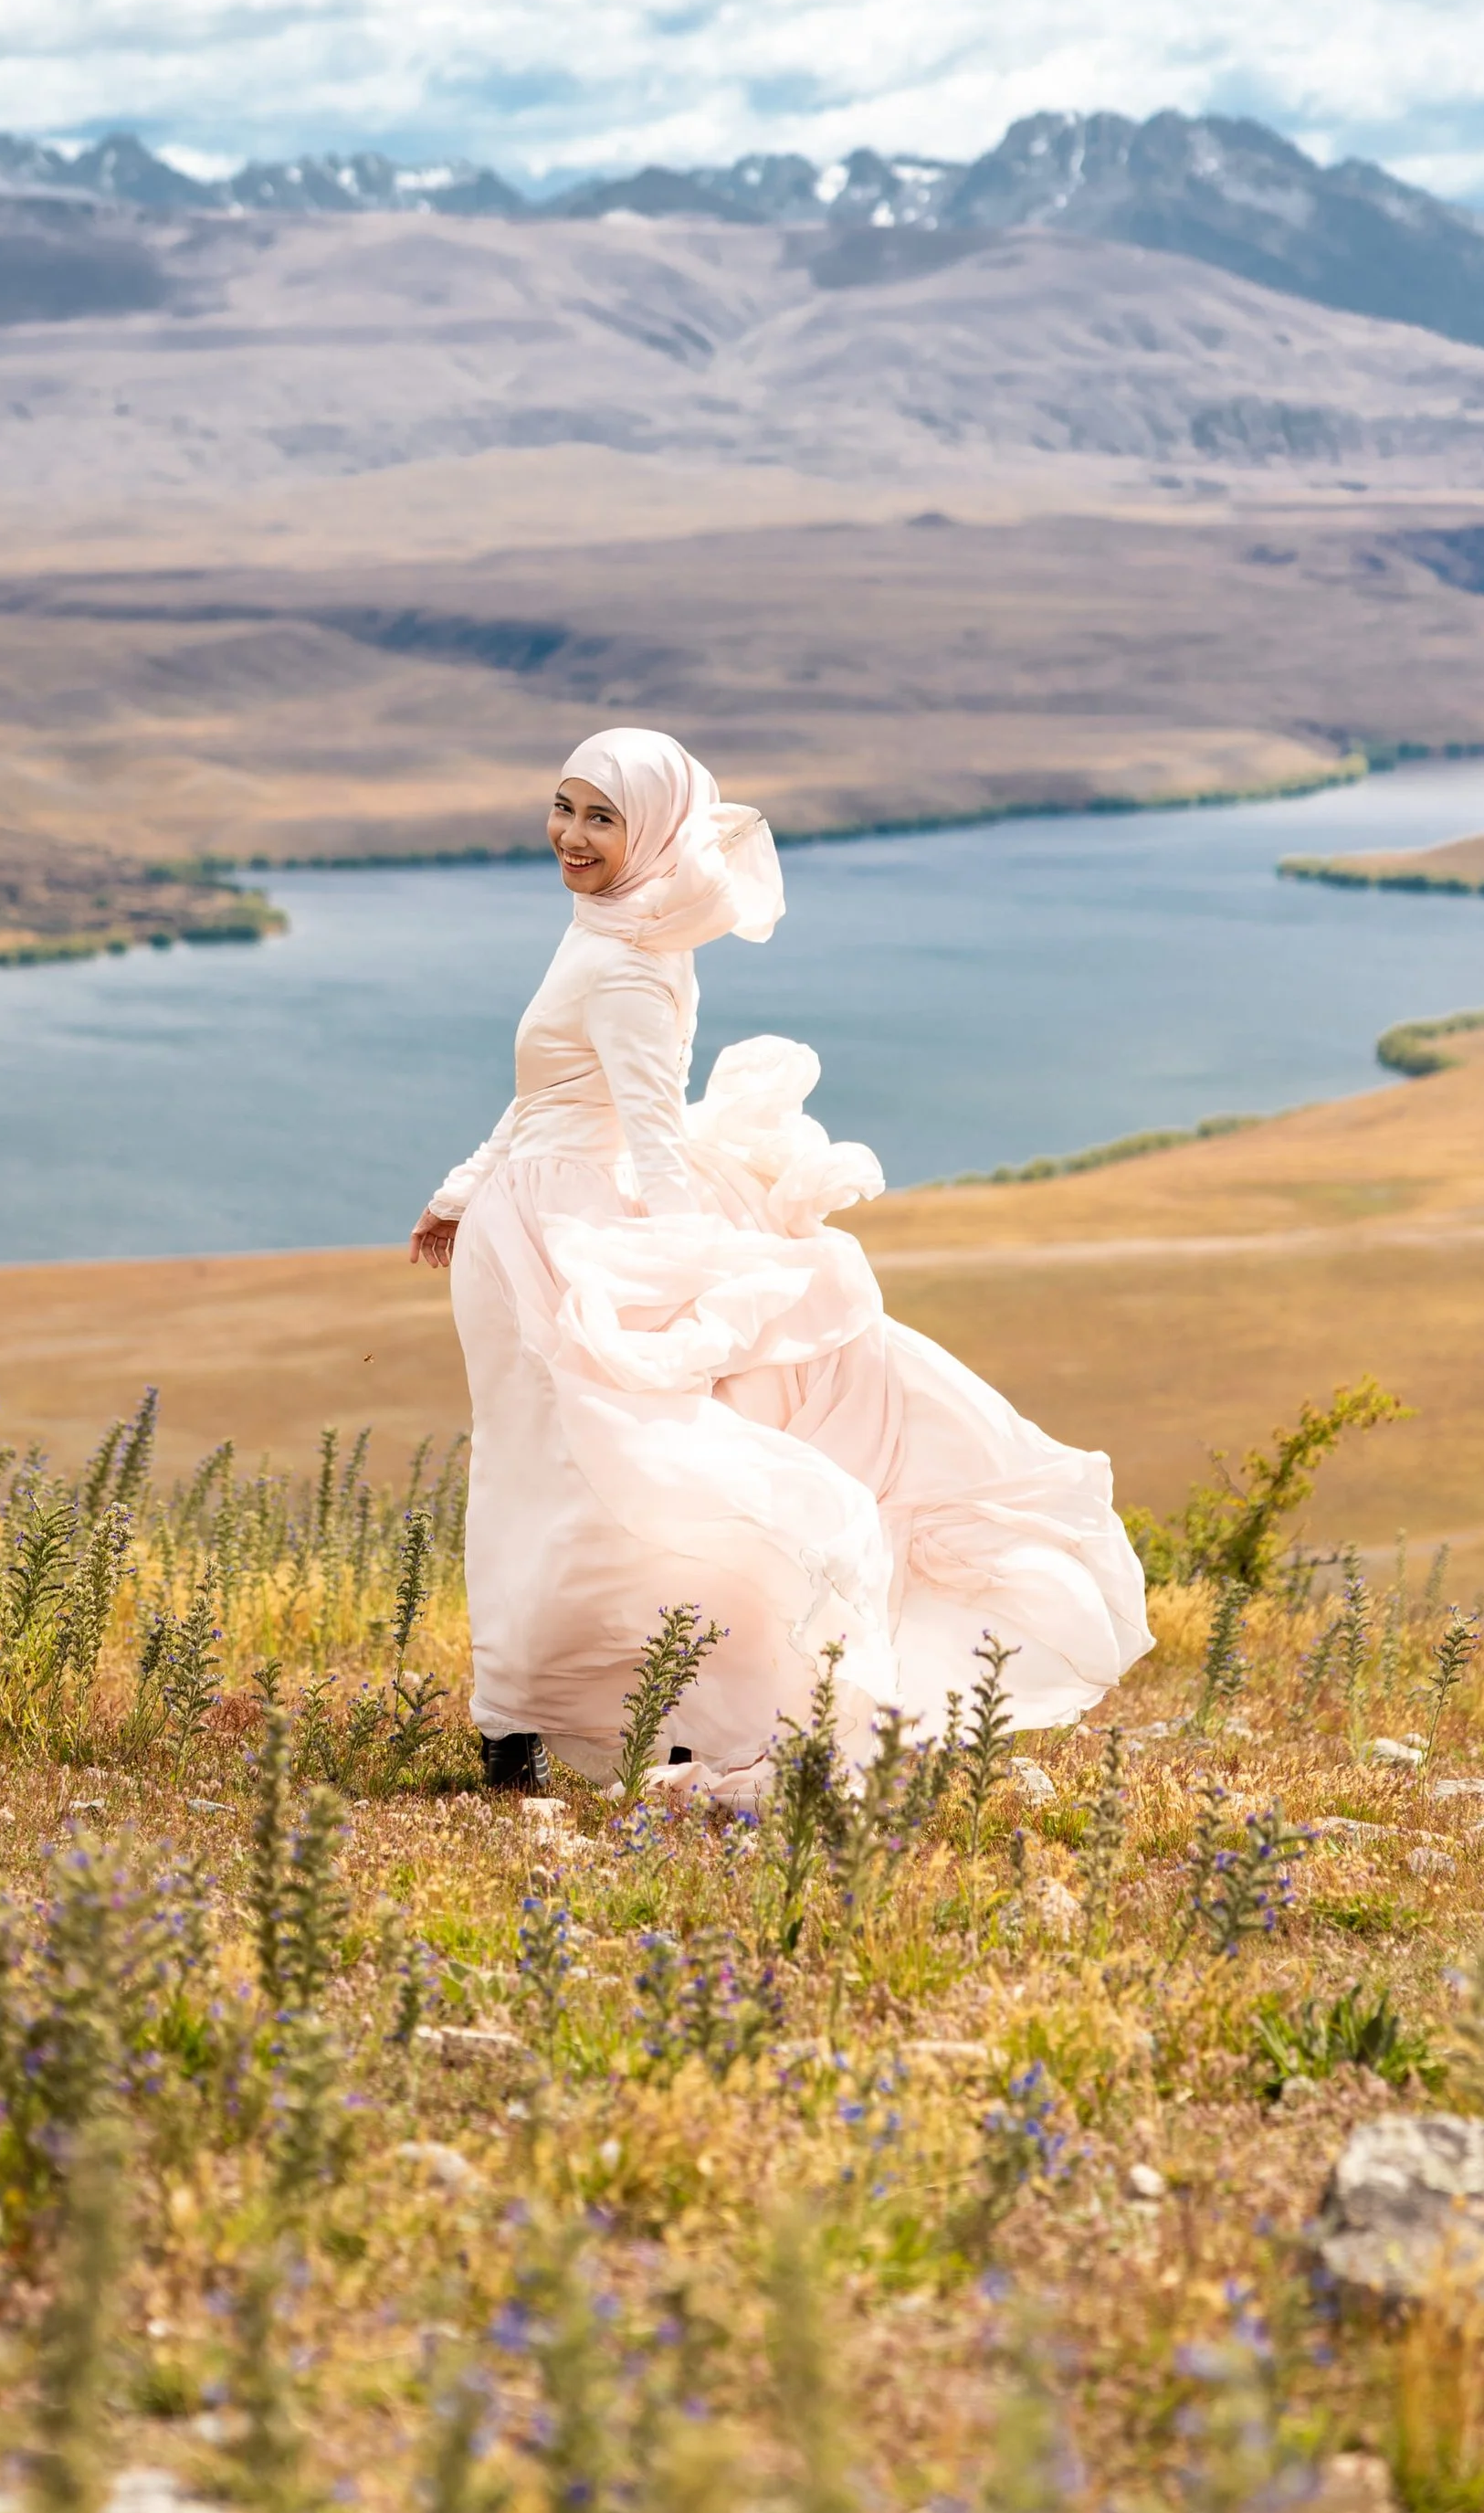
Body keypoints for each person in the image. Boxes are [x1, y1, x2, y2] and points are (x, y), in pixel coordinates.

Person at [408, 726, 1151, 1795]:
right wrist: (459, 1192)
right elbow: (547, 1096)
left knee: (586, 1479)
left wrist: (696, 1272)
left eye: (604, 818)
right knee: (556, 1477)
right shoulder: (613, 926)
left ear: (654, 832)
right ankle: (565, 1717)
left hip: (566, 1238)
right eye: (565, 806)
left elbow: (652, 1137)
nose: (572, 834)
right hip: (531, 1222)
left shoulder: (627, 965)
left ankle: (575, 1722)